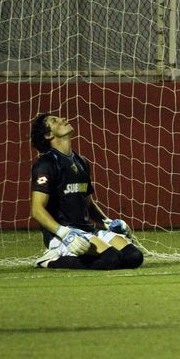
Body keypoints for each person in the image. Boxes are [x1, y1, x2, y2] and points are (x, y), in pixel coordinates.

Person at [30, 113, 144, 270]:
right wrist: (64, 234)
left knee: (134, 257)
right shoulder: (46, 163)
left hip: (87, 229)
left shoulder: (81, 161)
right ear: (48, 135)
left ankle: (88, 249)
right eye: (54, 121)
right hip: (63, 233)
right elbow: (37, 210)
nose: (63, 119)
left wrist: (108, 223)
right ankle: (50, 260)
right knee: (111, 259)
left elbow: (88, 203)